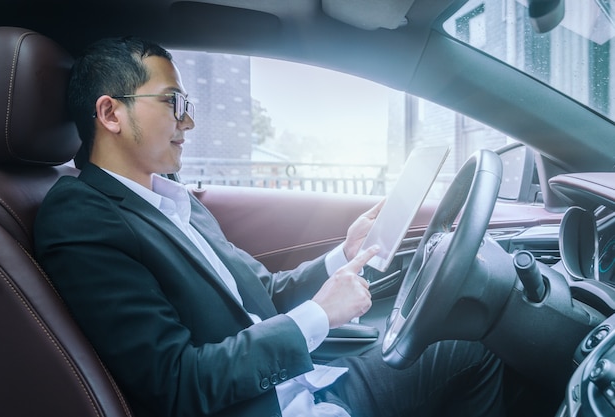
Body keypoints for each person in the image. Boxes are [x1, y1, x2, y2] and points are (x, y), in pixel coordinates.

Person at [34, 36, 505, 417]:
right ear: (110, 113)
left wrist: (344, 254)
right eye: (174, 102)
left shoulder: (175, 199)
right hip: (273, 405)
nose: (189, 120)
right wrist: (321, 315)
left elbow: (265, 295)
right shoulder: (81, 217)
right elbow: (178, 382)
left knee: (474, 347)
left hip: (308, 381)